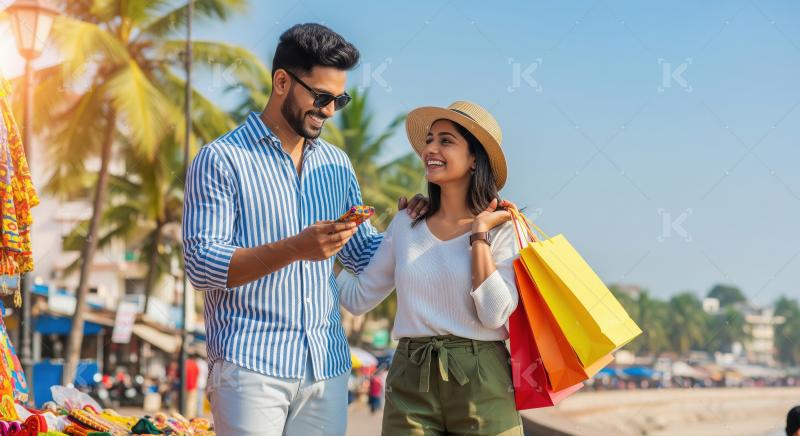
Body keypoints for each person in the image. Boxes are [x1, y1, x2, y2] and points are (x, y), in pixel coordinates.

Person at [182, 23, 425, 436]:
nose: (330, 110)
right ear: (281, 81)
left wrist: (414, 226)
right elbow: (202, 266)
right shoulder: (221, 159)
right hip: (250, 366)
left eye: (339, 99)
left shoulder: (337, 165)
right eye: (321, 97)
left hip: (326, 368)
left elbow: (365, 256)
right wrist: (296, 247)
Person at [338, 101, 524, 435]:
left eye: (446, 141)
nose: (430, 149)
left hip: (482, 377)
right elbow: (358, 298)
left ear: (474, 159)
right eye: (429, 139)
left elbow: (495, 314)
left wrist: (479, 234)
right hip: (410, 375)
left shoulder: (503, 228)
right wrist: (318, 255)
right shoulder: (406, 224)